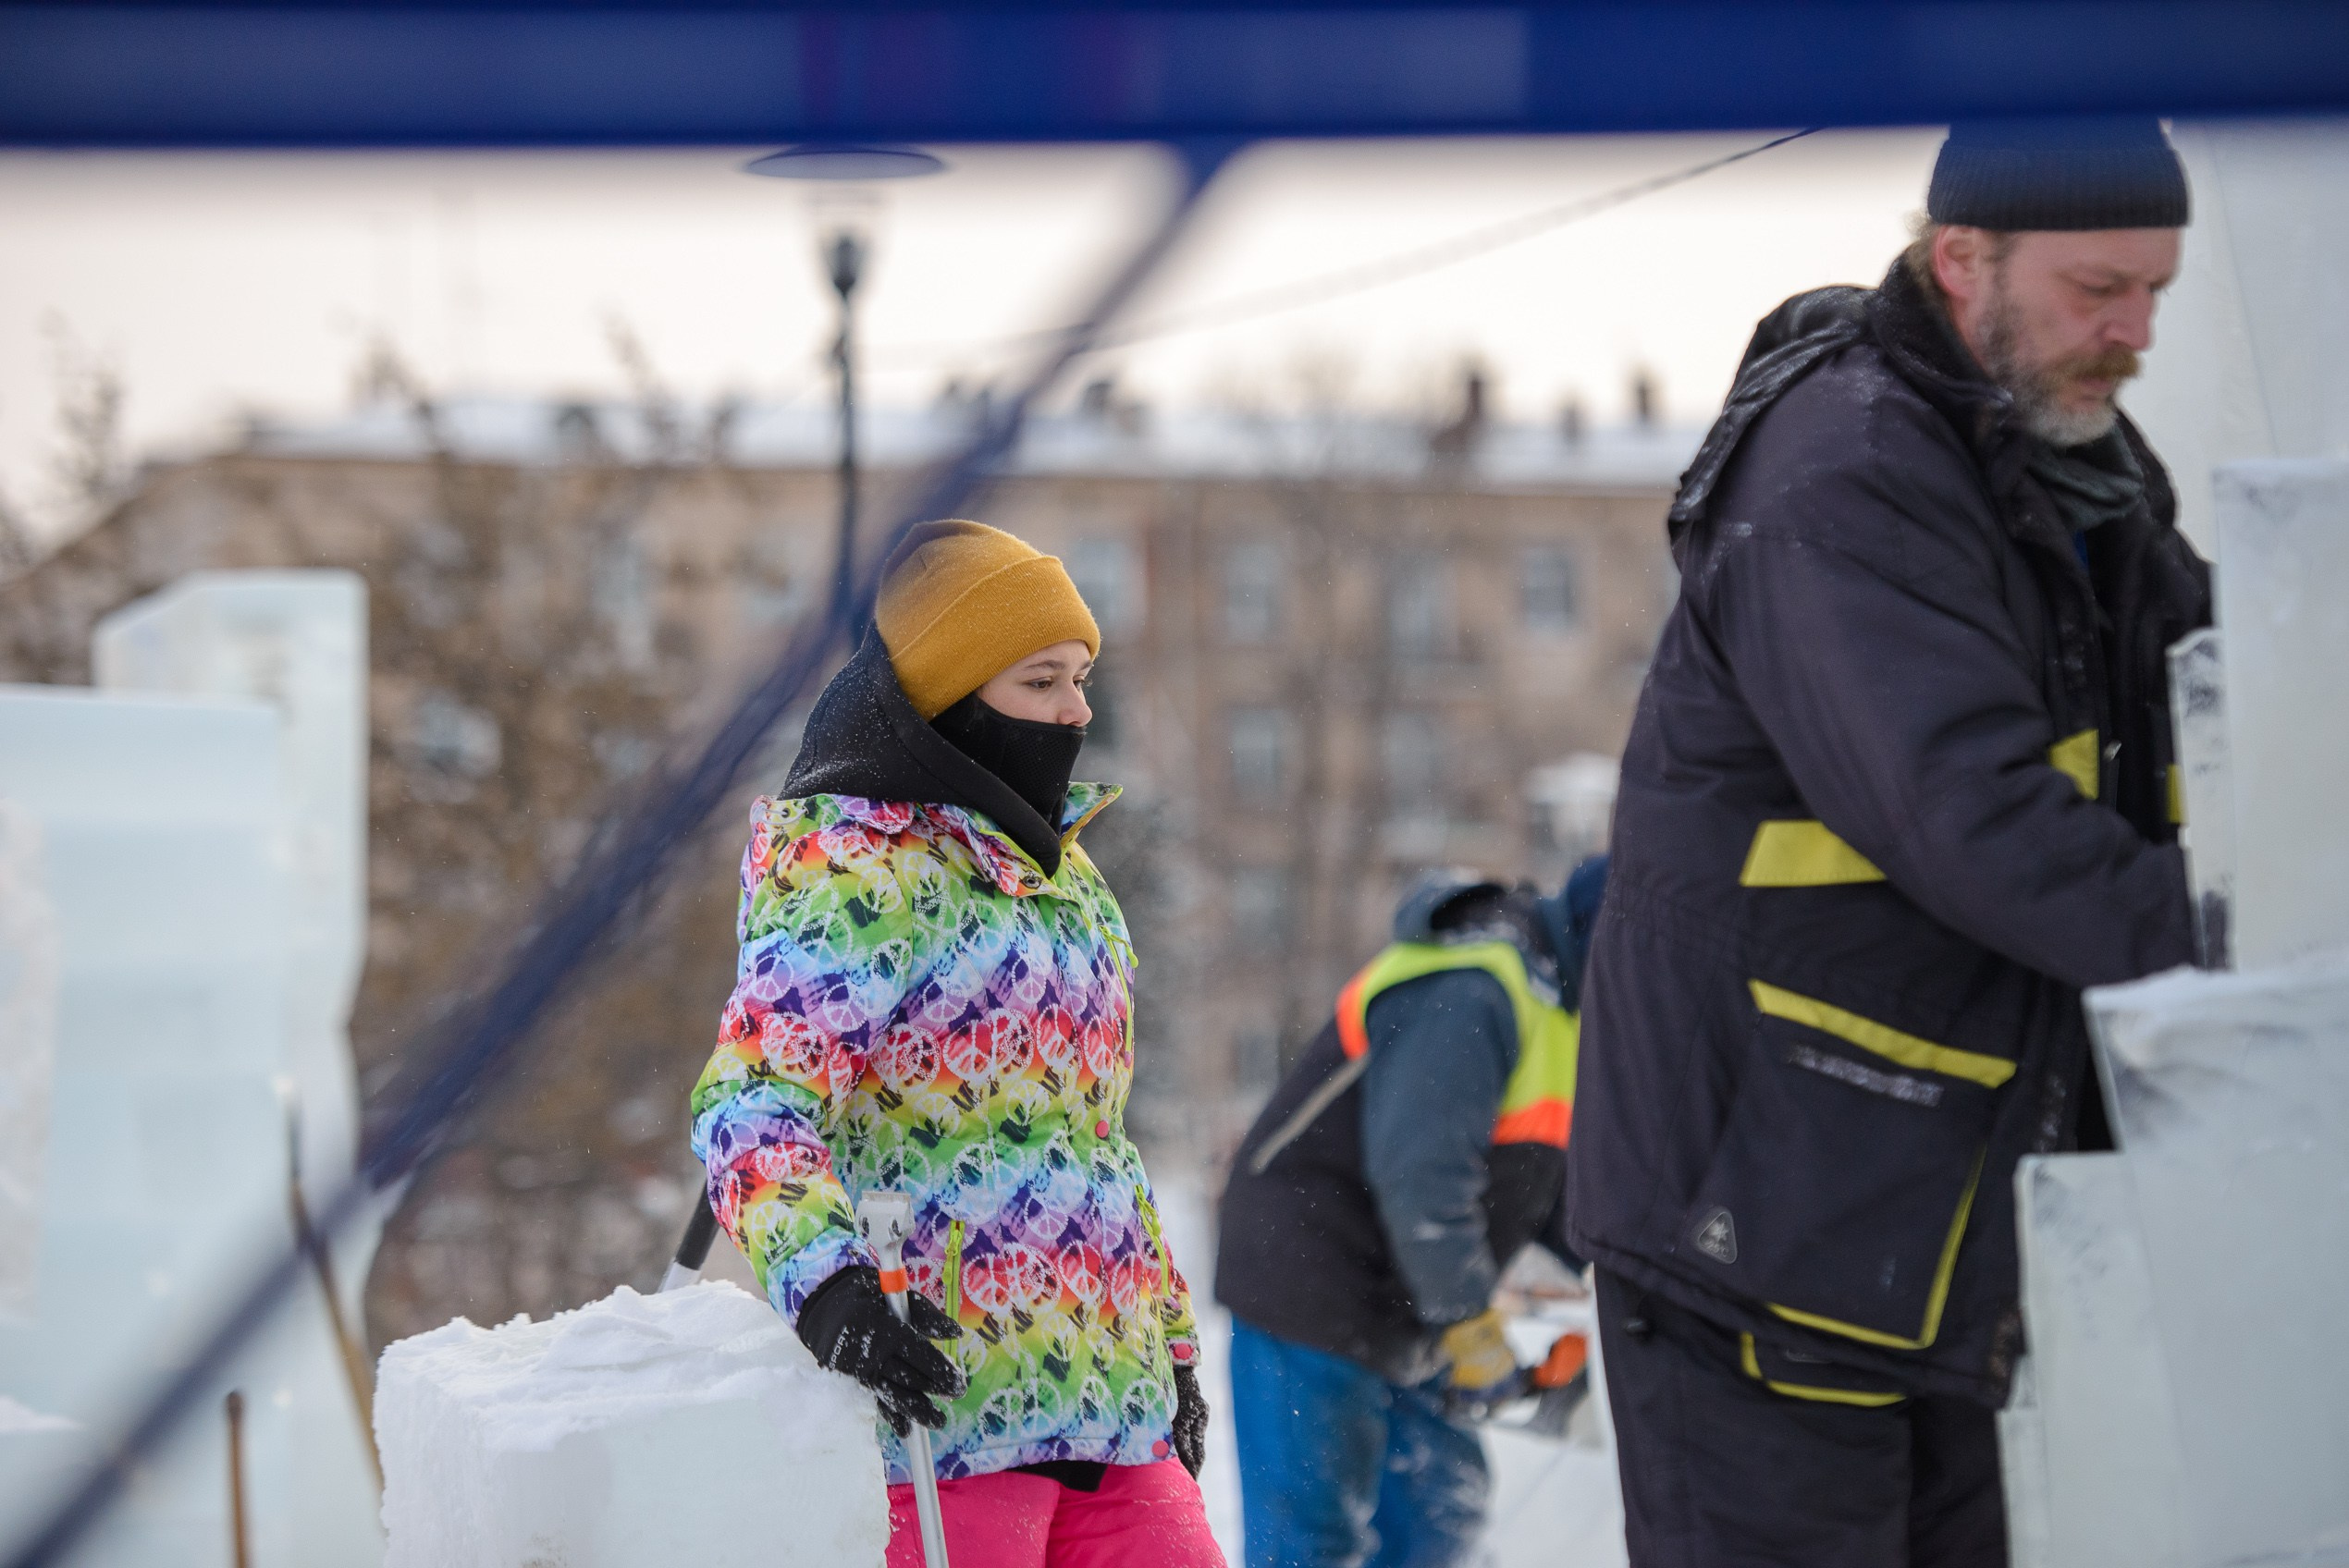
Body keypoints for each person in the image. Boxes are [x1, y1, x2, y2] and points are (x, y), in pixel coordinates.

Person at [1566, 119, 2210, 1566]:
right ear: (1959, 260)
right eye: (2099, 289)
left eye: (2157, 294)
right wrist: (2257, 944)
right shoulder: (1844, 476)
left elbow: (2223, 681)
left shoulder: (2075, 469)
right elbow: (1972, 818)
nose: (2135, 334)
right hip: (1763, 1219)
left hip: (1909, 1216)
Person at [690, 519, 1220, 1568]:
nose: (1076, 709)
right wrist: (832, 1288)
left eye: (1080, 677)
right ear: (950, 698)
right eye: (1040, 682)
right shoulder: (857, 871)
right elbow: (751, 1110)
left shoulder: (1068, 880)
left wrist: (1167, 1344)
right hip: (942, 1420)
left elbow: (1089, 1140)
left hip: (1108, 1409)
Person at [1216, 857, 1607, 1568]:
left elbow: (1545, 1184)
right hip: (1311, 1276)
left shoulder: (1568, 1011)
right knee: (1313, 1540)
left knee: (1438, 1531)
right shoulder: (1476, 987)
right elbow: (1423, 1178)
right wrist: (1469, 1324)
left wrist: (1573, 1297)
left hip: (1412, 1290)